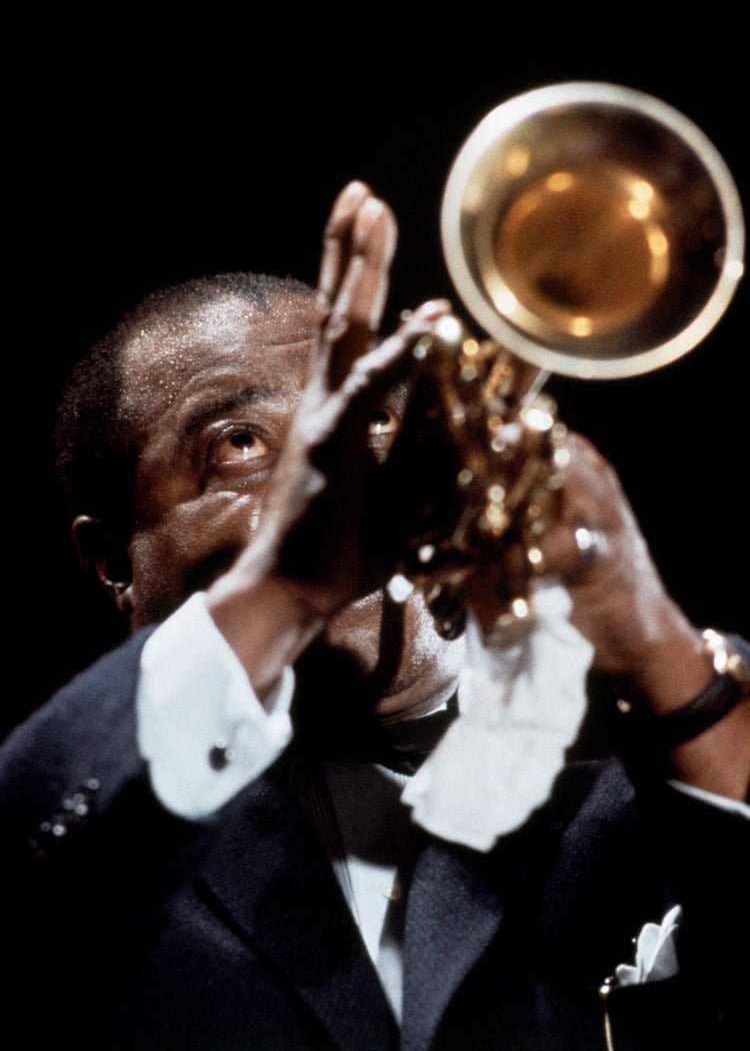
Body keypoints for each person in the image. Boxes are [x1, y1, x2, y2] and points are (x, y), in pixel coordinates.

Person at [1, 180, 748, 1050]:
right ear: (111, 561)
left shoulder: (651, 786)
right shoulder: (97, 830)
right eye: (239, 443)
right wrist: (283, 585)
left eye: (378, 422)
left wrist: (652, 639)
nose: (348, 475)